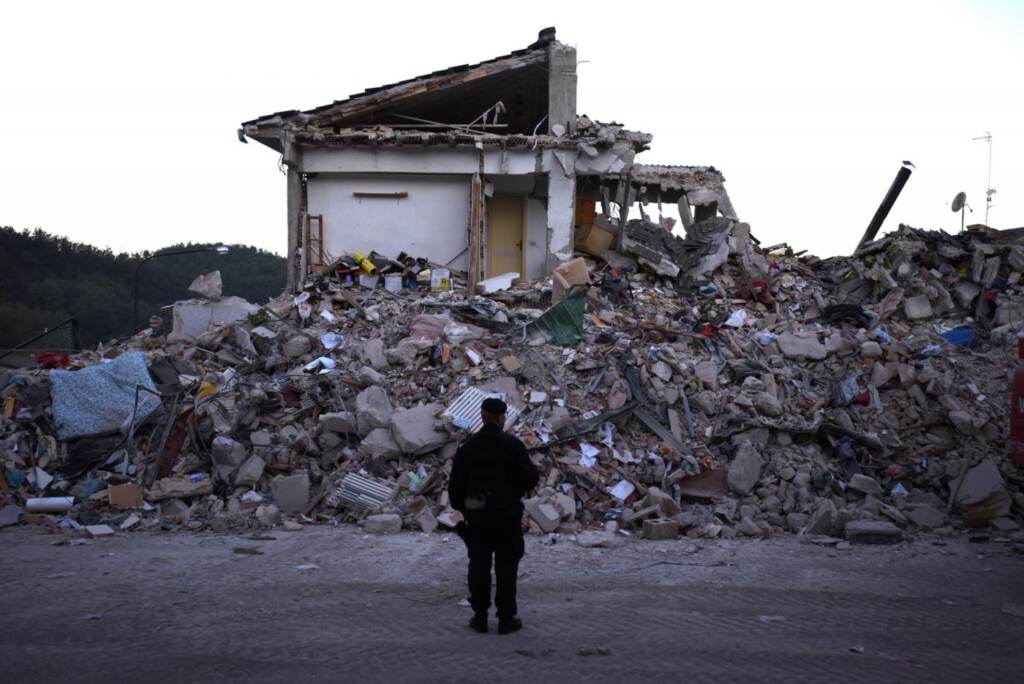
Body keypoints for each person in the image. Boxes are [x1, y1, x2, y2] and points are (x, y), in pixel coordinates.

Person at [448, 397, 539, 634]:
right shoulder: (513, 445)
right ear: (501, 418)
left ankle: (479, 617)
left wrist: (464, 511)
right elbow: (530, 479)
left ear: (482, 416)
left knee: (478, 564)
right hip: (506, 516)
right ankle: (506, 619)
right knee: (507, 567)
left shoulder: (468, 447)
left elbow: (455, 488)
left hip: (476, 516)